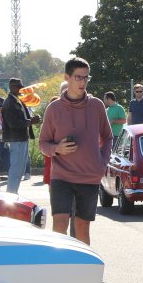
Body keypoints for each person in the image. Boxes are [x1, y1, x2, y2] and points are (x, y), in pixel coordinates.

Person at [39, 57, 112, 243]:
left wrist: (101, 164)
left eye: (86, 78)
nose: (83, 82)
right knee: (59, 226)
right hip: (61, 177)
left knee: (82, 228)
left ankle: (83, 271)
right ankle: (58, 270)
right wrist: (57, 148)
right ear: (67, 77)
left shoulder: (96, 106)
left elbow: (108, 137)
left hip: (89, 176)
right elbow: (43, 144)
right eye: (78, 77)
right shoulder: (54, 109)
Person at [1, 77, 39, 194]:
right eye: (19, 87)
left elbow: (21, 119)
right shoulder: (9, 102)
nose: (21, 89)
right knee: (16, 168)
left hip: (21, 138)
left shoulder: (18, 100)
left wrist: (31, 120)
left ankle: (14, 192)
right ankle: (11, 193)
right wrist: (30, 122)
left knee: (20, 169)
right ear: (12, 87)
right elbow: (13, 123)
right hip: (16, 139)